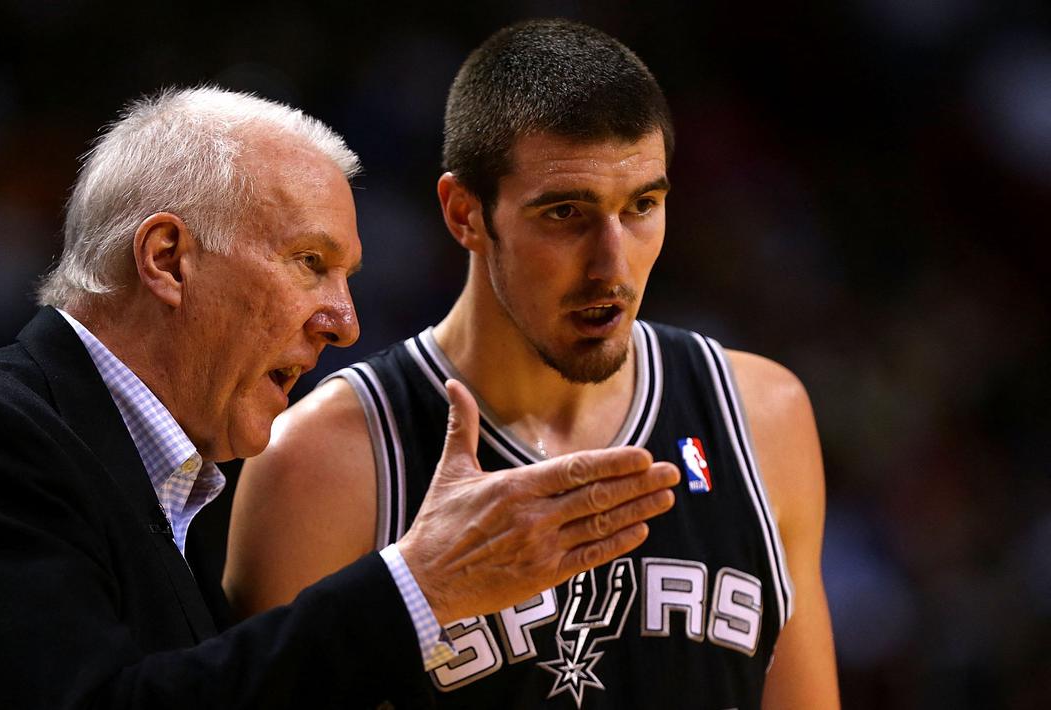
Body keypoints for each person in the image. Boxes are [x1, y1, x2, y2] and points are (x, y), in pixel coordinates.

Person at [0, 87, 682, 708]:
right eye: (311, 263)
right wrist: (418, 587)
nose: (344, 322)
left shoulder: (182, 493)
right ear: (166, 258)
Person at [226, 19, 840, 709]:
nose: (611, 265)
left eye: (641, 205)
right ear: (465, 214)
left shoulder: (761, 417)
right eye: (566, 213)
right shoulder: (322, 465)